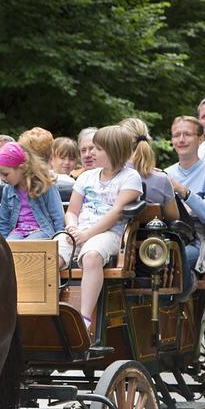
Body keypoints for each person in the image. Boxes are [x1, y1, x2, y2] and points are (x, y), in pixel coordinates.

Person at [59, 126, 142, 333]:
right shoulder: (86, 177)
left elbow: (116, 213)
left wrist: (85, 235)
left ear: (113, 151)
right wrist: (72, 227)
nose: (91, 153)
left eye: (97, 148)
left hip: (110, 233)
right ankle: (48, 313)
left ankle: (84, 318)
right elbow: (72, 211)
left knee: (92, 257)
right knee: (50, 256)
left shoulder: (130, 178)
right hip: (78, 231)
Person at [165, 116, 205, 296]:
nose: (181, 139)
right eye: (176, 135)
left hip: (200, 238)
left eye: (187, 134)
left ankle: (183, 291)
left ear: (200, 139)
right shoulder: (167, 173)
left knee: (173, 258)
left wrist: (184, 192)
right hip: (171, 235)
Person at [0, 142, 65, 240]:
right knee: (11, 244)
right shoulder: (8, 190)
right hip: (18, 232)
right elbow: (4, 222)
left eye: (5, 174)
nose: (2, 179)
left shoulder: (44, 184)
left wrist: (60, 240)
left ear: (21, 168)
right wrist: (3, 245)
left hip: (42, 231)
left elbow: (58, 216)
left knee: (28, 245)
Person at [119, 117, 179, 221]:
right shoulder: (162, 178)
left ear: (119, 144)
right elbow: (173, 217)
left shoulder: (111, 174)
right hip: (151, 235)